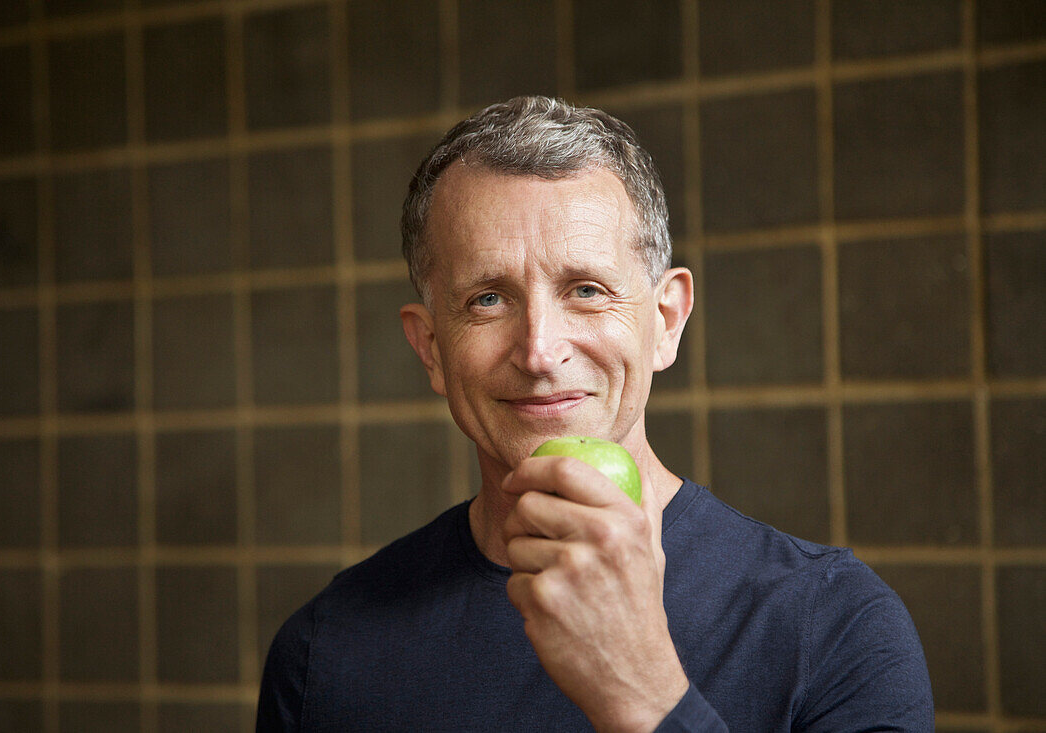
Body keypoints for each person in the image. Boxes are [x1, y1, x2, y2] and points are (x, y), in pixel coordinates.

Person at [256, 96, 933, 731]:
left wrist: (642, 691)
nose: (540, 350)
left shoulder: (837, 626)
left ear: (665, 321)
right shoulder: (326, 652)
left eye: (586, 289)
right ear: (430, 346)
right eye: (488, 298)